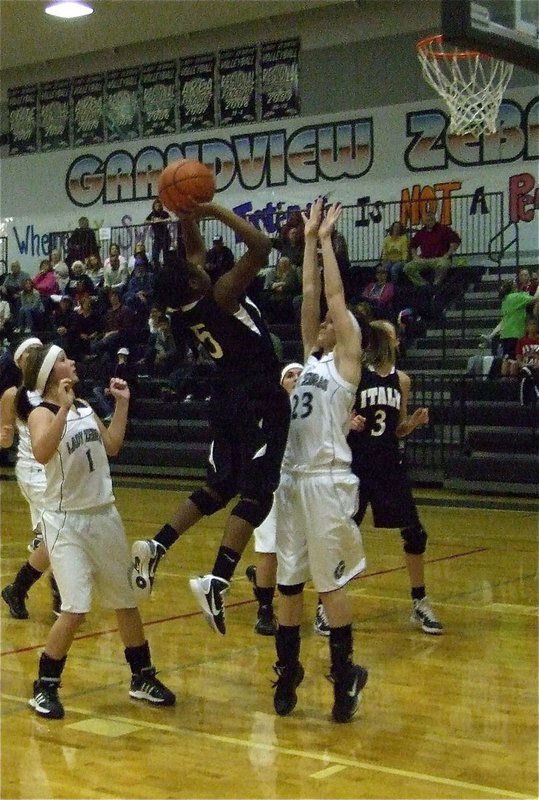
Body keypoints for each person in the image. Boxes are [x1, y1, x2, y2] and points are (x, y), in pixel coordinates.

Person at [129, 200, 291, 636]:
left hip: (224, 396)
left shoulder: (182, 309)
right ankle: (217, 581)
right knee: (257, 494)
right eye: (192, 267)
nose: (197, 262)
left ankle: (157, 545)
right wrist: (213, 209)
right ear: (192, 280)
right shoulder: (221, 294)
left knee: (219, 487)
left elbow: (194, 255)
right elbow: (261, 246)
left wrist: (186, 215)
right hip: (258, 395)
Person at [18, 343, 175, 719]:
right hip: (66, 521)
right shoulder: (41, 413)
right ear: (50, 374)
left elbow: (113, 445)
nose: (71, 361)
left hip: (103, 515)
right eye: (63, 359)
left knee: (125, 599)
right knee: (75, 607)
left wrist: (122, 405)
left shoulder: (86, 407)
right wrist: (63, 409)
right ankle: (45, 686)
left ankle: (142, 676)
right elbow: (41, 452)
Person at [270, 198, 368, 724]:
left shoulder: (347, 362)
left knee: (329, 585)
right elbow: (311, 294)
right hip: (292, 479)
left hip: (328, 481)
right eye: (324, 323)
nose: (325, 321)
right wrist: (306, 240)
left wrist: (328, 241)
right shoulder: (310, 358)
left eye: (335, 321)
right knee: (288, 583)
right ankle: (288, 669)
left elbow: (331, 294)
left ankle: (344, 673)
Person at [348, 320, 443, 636]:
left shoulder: (402, 380)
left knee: (415, 534)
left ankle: (420, 602)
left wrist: (411, 425)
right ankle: (326, 605)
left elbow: (397, 428)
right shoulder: (356, 374)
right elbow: (340, 415)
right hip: (357, 464)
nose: (390, 338)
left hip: (389, 465)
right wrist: (349, 421)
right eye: (385, 333)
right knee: (343, 535)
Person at [1, 337, 61, 620]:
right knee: (62, 527)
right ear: (21, 362)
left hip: (55, 468)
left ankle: (17, 589)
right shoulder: (13, 395)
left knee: (54, 535)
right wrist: (3, 436)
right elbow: (5, 439)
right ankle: (62, 594)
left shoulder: (53, 390)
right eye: (30, 353)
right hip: (33, 470)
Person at [244, 362, 304, 636]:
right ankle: (265, 609)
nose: (296, 378)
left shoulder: (315, 411)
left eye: (300, 374)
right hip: (271, 481)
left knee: (297, 551)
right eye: (290, 375)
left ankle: (262, 580)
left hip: (302, 485)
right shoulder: (270, 409)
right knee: (268, 548)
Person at [403, 211, 461, 288]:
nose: (430, 221)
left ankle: (436, 285)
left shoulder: (444, 229)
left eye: (431, 219)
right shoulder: (421, 233)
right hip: (424, 259)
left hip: (439, 259)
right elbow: (412, 245)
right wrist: (415, 257)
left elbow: (456, 241)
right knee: (408, 267)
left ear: (434, 219)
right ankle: (423, 285)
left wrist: (447, 254)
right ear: (423, 222)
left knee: (443, 265)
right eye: (427, 220)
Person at [145, 199, 173, 269]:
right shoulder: (152, 214)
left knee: (166, 254)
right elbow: (145, 221)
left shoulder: (164, 213)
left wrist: (161, 220)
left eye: (159, 206)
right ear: (154, 207)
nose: (158, 207)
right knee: (155, 254)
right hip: (157, 237)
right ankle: (157, 268)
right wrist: (152, 221)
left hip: (165, 236)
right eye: (156, 206)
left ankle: (167, 268)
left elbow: (170, 219)